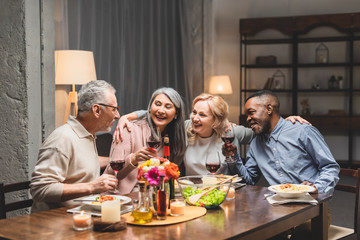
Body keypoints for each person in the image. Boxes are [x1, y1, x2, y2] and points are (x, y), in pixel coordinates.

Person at [114, 93, 309, 176]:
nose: (195, 118)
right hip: (189, 193)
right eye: (194, 112)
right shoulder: (185, 128)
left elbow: (263, 129)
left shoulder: (230, 131)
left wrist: (283, 119)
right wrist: (127, 116)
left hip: (222, 195)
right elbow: (161, 114)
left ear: (216, 120)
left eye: (202, 114)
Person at [224, 90, 339, 194]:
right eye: (246, 115)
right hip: (278, 206)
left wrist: (316, 187)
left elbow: (330, 167)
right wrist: (233, 158)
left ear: (269, 109)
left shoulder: (302, 131)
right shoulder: (256, 144)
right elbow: (249, 180)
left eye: (251, 112)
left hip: (311, 205)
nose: (248, 119)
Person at [30, 80, 120, 212]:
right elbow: (40, 189)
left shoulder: (87, 135)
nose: (117, 115)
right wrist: (92, 187)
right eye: (114, 109)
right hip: (54, 225)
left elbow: (79, 162)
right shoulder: (63, 138)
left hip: (83, 216)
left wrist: (118, 160)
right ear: (97, 110)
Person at [103, 87, 186, 194]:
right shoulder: (128, 129)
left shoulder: (173, 137)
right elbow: (111, 172)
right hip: (123, 197)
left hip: (154, 196)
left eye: (168, 107)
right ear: (150, 107)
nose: (161, 110)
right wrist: (133, 159)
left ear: (176, 114)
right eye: (157, 104)